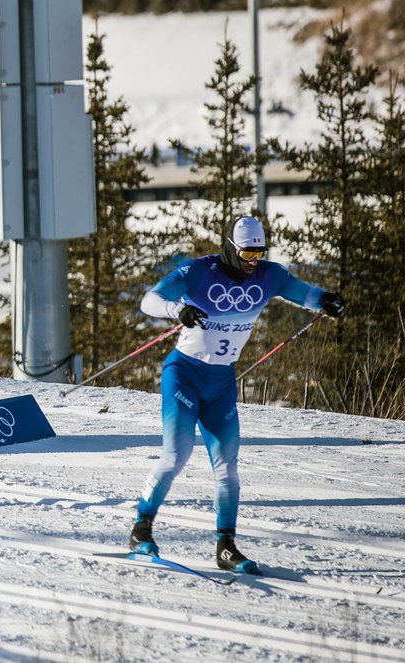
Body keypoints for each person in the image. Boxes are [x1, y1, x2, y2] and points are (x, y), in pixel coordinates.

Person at [129, 216, 345, 574]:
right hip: (184, 374)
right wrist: (176, 309)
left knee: (227, 467)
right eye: (246, 252)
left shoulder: (268, 275)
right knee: (176, 455)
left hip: (221, 383)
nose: (252, 261)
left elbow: (303, 293)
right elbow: (148, 300)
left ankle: (226, 546)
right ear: (230, 247)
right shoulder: (197, 271)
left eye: (259, 252)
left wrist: (326, 299)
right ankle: (141, 529)